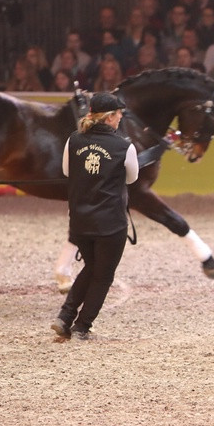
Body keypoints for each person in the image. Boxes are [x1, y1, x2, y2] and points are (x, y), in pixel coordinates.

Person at [52, 93, 139, 340]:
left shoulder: (74, 139)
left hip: (80, 220)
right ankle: (82, 326)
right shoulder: (125, 146)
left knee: (91, 267)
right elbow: (132, 178)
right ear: (110, 117)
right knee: (103, 275)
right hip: (110, 223)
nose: (121, 117)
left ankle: (64, 316)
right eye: (119, 114)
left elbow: (67, 171)